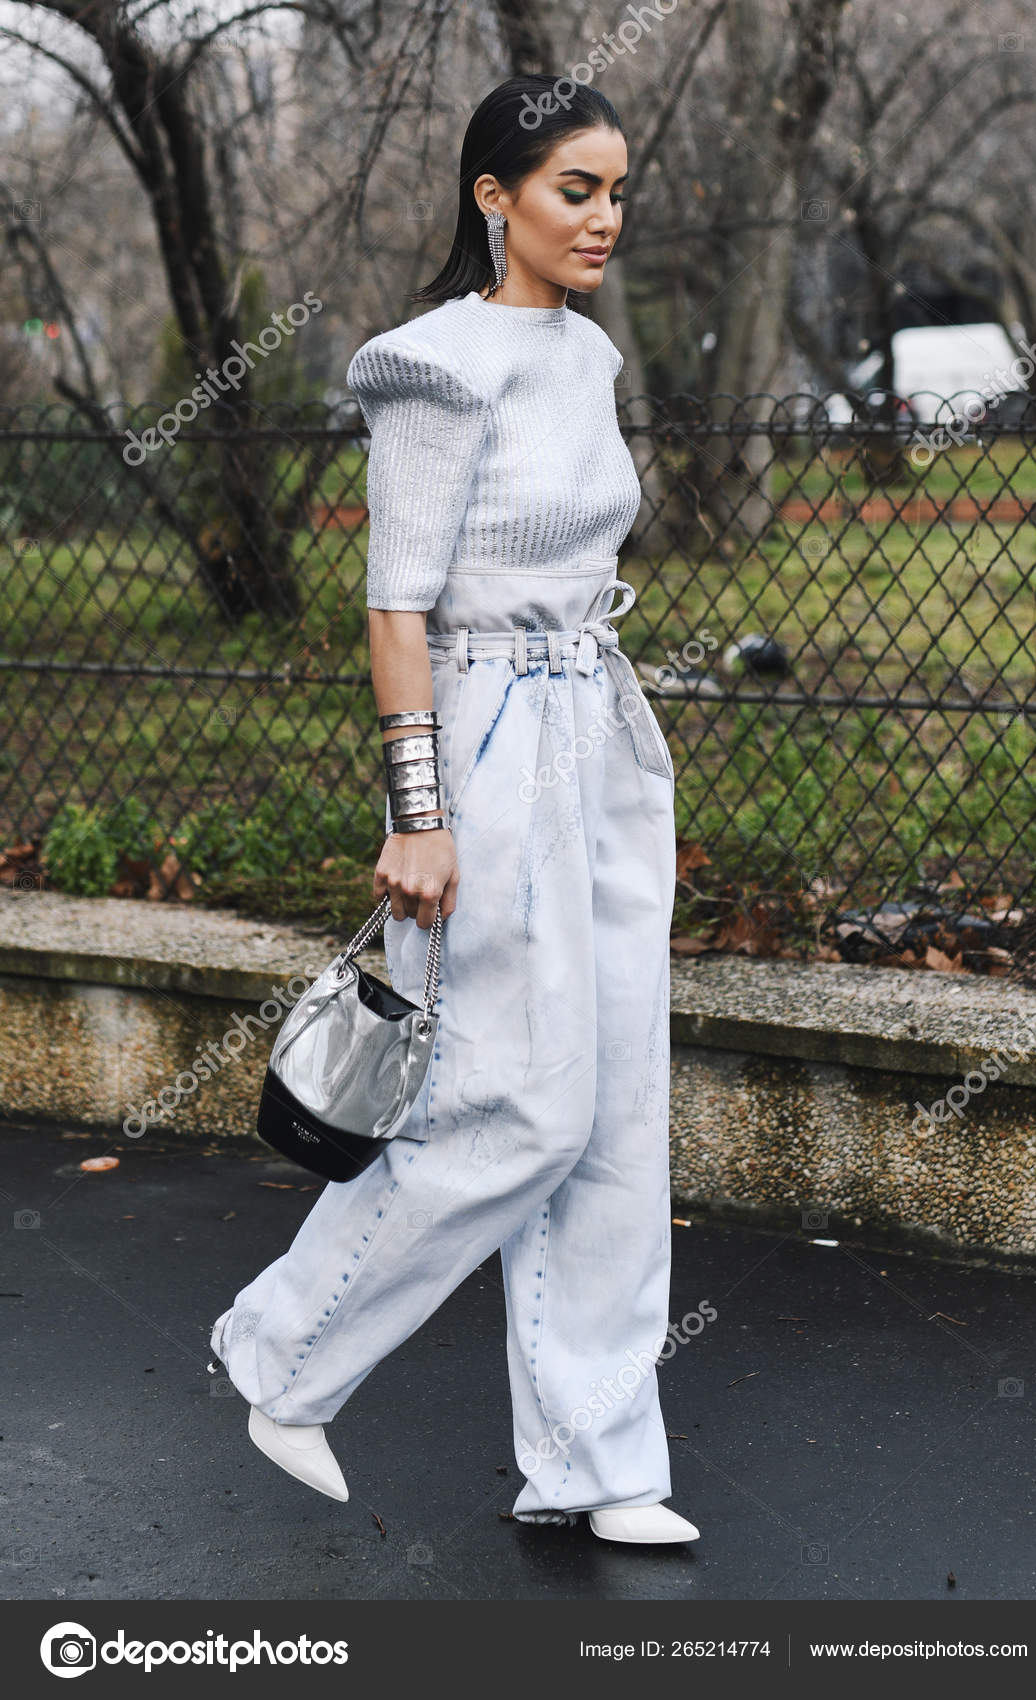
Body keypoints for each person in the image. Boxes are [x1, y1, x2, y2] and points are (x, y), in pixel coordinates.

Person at [209, 72, 699, 1547]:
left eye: (617, 189)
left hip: (598, 723)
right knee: (513, 1102)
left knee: (617, 1111)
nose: (604, 217)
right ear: (497, 196)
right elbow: (395, 609)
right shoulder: (430, 365)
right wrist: (419, 812)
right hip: (482, 736)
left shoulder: (591, 356)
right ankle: (282, 1352)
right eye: (575, 190)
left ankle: (600, 1460)